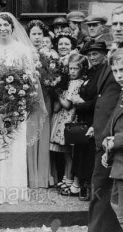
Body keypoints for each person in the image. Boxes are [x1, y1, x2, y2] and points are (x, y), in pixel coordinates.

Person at [0, 12, 46, 202]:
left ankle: (15, 189)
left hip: (18, 103)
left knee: (15, 144)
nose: (3, 28)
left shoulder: (21, 49)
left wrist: (20, 97)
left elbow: (31, 77)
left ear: (12, 28)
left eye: (6, 25)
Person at [85, 41, 122, 232]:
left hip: (115, 141)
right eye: (114, 23)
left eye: (121, 24)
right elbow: (107, 101)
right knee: (101, 188)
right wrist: (97, 126)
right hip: (105, 134)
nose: (117, 28)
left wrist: (113, 138)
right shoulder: (111, 59)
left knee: (103, 189)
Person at [70, 41, 107, 201]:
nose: (92, 57)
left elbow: (100, 99)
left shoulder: (106, 72)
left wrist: (80, 104)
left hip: (94, 118)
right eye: (90, 54)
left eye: (96, 54)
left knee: (90, 155)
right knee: (81, 153)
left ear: (103, 54)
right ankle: (82, 183)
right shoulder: (91, 72)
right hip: (84, 118)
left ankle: (91, 188)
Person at [50, 54, 87, 193]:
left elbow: (66, 105)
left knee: (69, 154)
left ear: (81, 69)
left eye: (75, 69)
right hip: (62, 119)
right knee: (65, 154)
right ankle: (66, 178)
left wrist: (58, 93)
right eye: (70, 68)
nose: (72, 71)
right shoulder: (70, 82)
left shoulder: (77, 83)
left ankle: (70, 179)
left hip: (69, 120)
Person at [27, 20, 55, 188]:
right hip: (30, 101)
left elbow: (54, 78)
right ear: (28, 36)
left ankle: (44, 176)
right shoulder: (25, 53)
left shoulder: (50, 55)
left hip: (46, 98)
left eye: (40, 34)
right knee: (30, 136)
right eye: (34, 34)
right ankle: (31, 176)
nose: (37, 37)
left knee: (44, 135)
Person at [102, 48, 123, 230]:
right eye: (115, 71)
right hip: (119, 163)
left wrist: (114, 141)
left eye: (122, 70)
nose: (119, 76)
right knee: (118, 207)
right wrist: (109, 141)